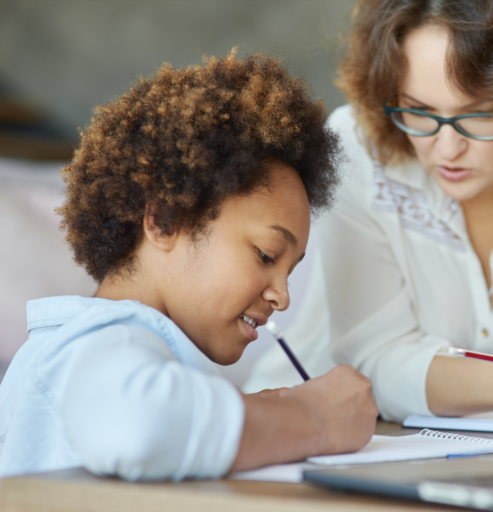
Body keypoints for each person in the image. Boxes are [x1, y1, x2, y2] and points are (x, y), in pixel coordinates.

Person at [245, 0, 493, 424]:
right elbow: (375, 364)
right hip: (325, 442)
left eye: (479, 116)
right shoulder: (359, 151)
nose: (448, 149)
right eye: (419, 111)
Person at [0, 50, 378, 480]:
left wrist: (266, 408)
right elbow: (138, 426)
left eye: (289, 271)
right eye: (267, 255)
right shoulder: (109, 340)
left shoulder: (87, 345)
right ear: (165, 221)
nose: (283, 296)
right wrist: (313, 417)